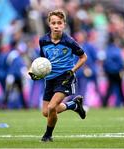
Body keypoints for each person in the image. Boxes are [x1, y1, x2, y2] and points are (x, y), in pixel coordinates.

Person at [28, 9, 87, 142]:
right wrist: (34, 71)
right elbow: (42, 61)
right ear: (49, 24)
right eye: (53, 23)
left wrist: (73, 70)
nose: (56, 26)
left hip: (65, 77)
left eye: (59, 23)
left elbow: (83, 57)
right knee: (45, 112)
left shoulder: (69, 41)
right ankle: (74, 105)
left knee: (51, 107)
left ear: (64, 24)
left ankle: (47, 136)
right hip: (50, 79)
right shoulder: (43, 41)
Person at [102, 34, 124, 107]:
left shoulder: (107, 49)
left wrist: (105, 70)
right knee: (119, 88)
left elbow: (105, 62)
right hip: (117, 71)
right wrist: (123, 68)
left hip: (109, 72)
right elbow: (120, 61)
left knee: (110, 88)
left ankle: (105, 103)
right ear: (115, 41)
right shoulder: (117, 50)